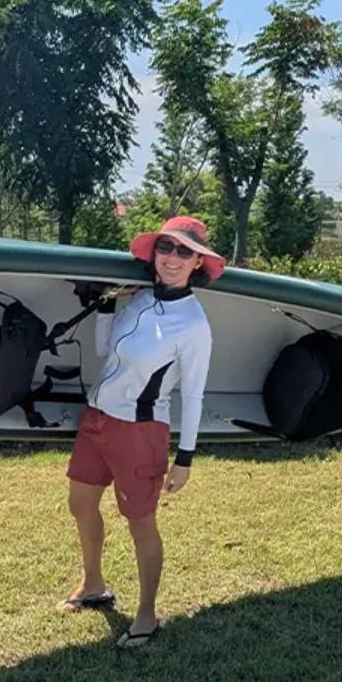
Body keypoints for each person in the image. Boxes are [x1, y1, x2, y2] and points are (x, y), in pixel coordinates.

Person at [60, 216, 225, 648]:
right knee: (79, 502)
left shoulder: (193, 325)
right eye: (166, 248)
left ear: (197, 263)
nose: (172, 258)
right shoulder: (139, 299)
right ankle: (92, 583)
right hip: (98, 416)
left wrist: (185, 458)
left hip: (140, 429)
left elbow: (193, 395)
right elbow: (103, 349)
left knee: (140, 523)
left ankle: (147, 615)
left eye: (184, 252)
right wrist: (108, 305)